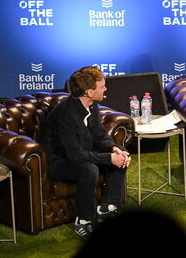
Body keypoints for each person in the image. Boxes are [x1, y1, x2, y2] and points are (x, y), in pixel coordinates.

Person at [40, 66, 130, 238]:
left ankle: (107, 208)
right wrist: (108, 158)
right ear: (89, 92)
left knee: (122, 152)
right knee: (89, 169)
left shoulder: (91, 105)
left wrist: (113, 148)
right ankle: (83, 221)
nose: (106, 89)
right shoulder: (65, 114)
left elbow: (98, 133)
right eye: (102, 86)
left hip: (80, 152)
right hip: (58, 161)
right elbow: (74, 155)